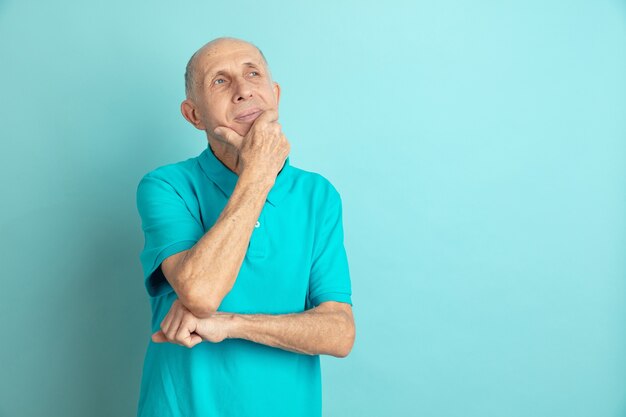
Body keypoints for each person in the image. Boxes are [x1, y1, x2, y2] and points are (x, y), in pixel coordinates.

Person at [135, 37, 355, 417]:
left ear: (274, 93)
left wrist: (231, 324)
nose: (243, 90)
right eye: (219, 81)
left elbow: (339, 332)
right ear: (194, 115)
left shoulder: (318, 195)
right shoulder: (166, 186)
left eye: (253, 73)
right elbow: (200, 293)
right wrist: (256, 173)